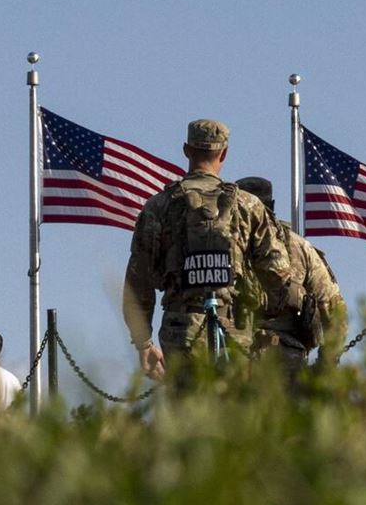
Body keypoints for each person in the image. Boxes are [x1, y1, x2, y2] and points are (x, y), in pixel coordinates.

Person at [122, 119, 302, 382]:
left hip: (180, 330)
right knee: (232, 405)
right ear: (224, 153)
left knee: (187, 406)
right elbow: (278, 273)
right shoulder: (248, 205)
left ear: (186, 150)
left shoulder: (158, 206)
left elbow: (138, 282)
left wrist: (143, 344)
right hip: (235, 330)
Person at [235, 176, 348, 379]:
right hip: (277, 365)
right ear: (271, 206)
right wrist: (324, 369)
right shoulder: (300, 247)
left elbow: (335, 311)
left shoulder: (224, 247)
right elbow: (335, 314)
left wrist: (324, 367)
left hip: (241, 365)